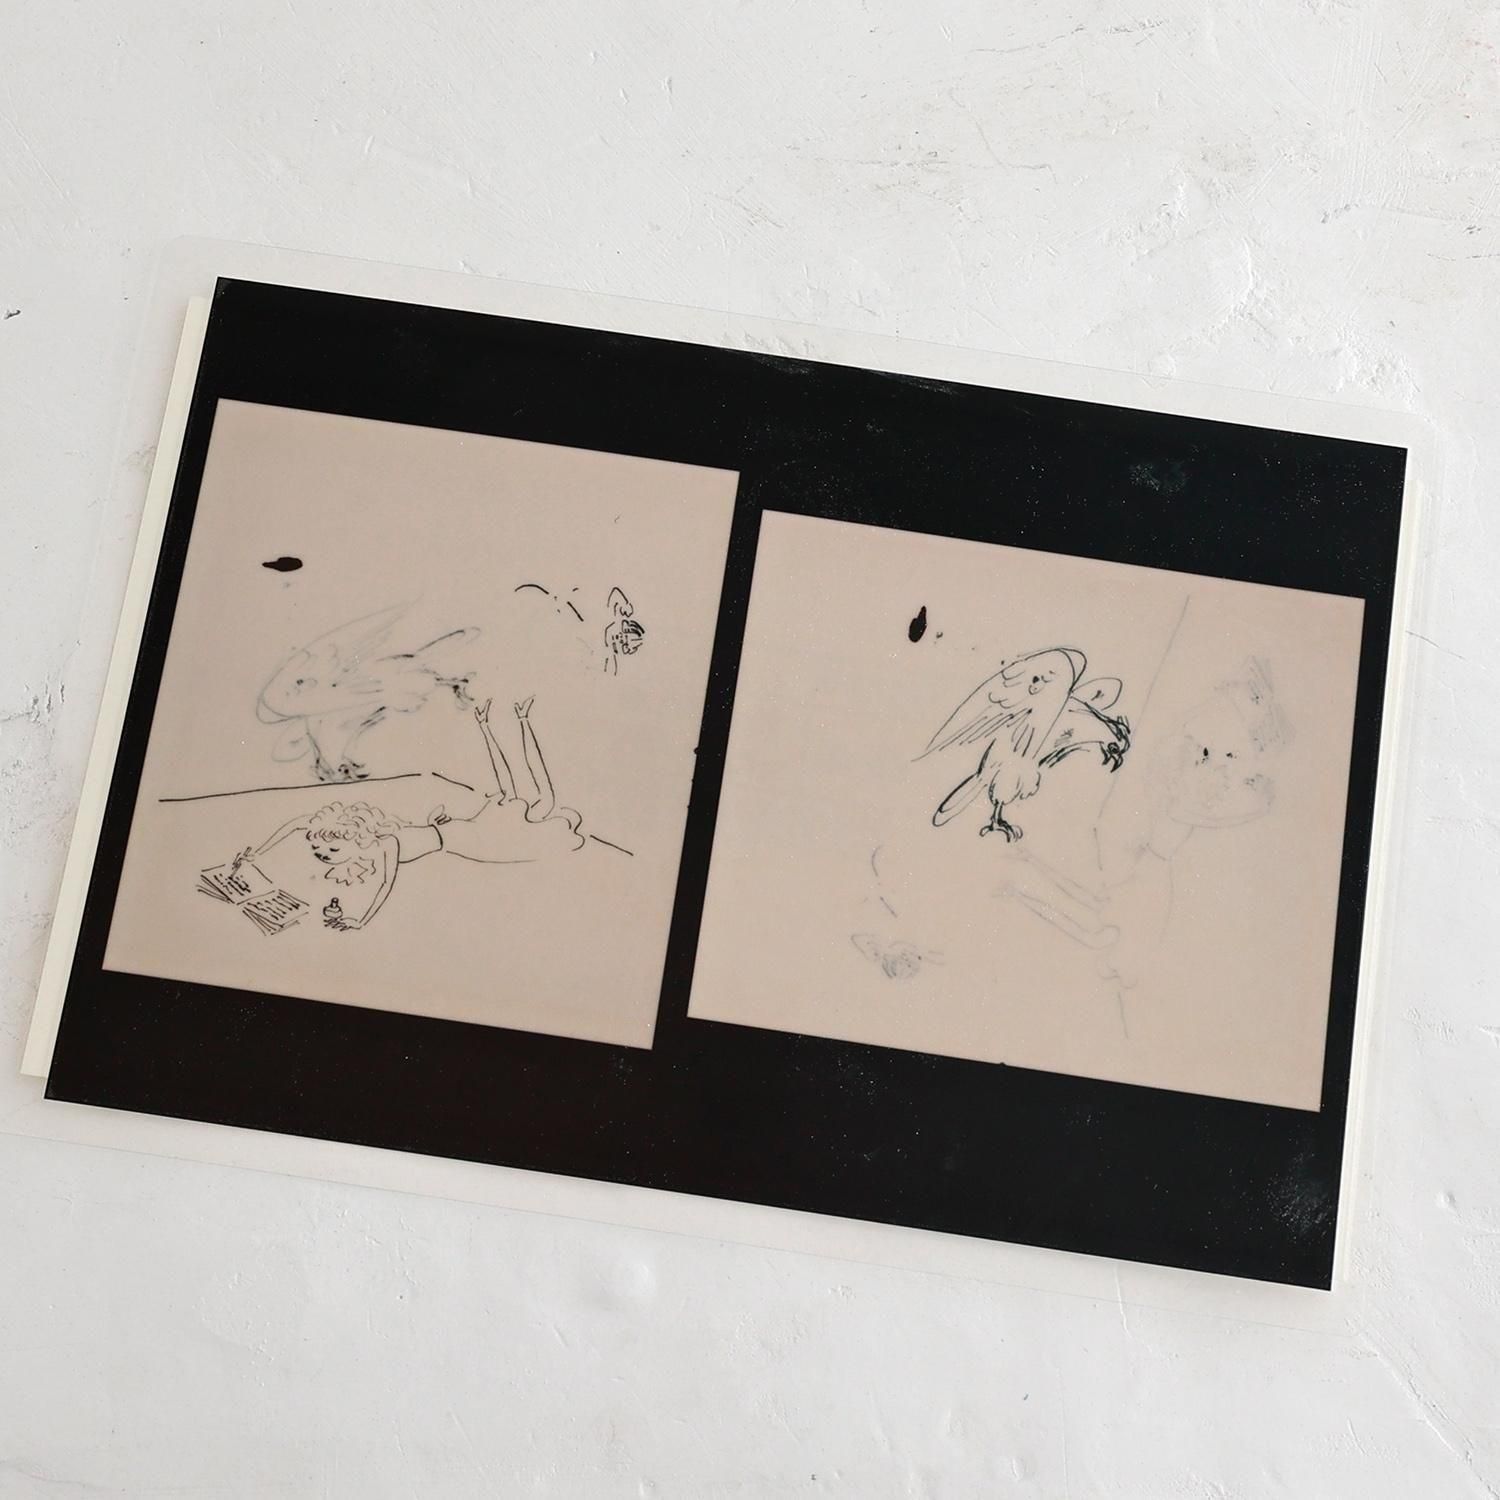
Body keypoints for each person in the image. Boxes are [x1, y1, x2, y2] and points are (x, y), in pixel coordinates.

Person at [240, 696, 586, 932]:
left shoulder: (385, 843)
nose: (324, 855)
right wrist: (257, 852)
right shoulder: (368, 840)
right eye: (322, 850)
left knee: (535, 794)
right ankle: (507, 722)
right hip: (456, 830)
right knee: (516, 791)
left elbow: (385, 884)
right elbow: (296, 825)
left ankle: (517, 721)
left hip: (468, 839)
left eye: (329, 850)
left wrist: (362, 920)